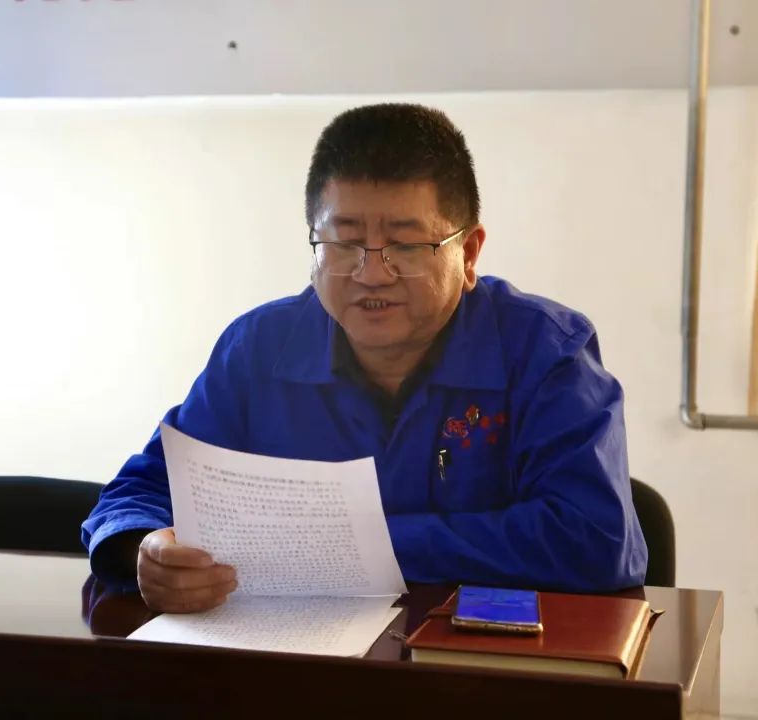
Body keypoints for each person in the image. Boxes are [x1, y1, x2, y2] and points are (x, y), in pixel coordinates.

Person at [82, 103, 647, 614]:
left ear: (469, 253)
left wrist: (347, 544)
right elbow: (140, 491)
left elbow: (594, 539)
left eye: (407, 245)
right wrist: (144, 549)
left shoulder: (546, 352)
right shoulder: (257, 348)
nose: (372, 273)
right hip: (292, 657)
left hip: (470, 664)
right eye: (344, 243)